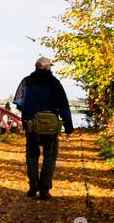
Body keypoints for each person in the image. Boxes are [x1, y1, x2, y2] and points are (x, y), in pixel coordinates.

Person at [13, 56, 73, 199]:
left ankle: (33, 186)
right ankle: (45, 189)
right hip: (50, 126)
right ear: (48, 68)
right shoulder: (55, 83)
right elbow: (63, 106)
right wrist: (69, 126)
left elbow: (19, 103)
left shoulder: (26, 82)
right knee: (50, 156)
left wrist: (30, 112)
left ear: (36, 67)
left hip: (32, 124)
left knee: (32, 155)